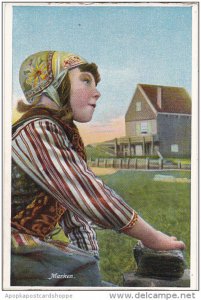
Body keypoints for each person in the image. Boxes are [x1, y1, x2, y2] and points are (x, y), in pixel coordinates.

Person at [11, 51, 185, 287]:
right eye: (85, 80)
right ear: (54, 87)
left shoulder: (60, 132)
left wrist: (91, 258)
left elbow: (74, 214)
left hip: (24, 248)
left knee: (85, 270)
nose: (97, 92)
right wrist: (153, 238)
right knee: (79, 271)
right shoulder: (38, 130)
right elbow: (90, 195)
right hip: (10, 246)